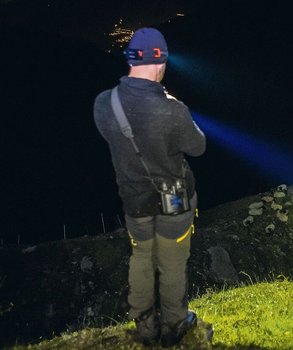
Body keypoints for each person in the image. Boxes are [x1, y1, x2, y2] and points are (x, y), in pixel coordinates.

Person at [93, 27, 206, 347]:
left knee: (141, 256)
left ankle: (144, 324)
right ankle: (174, 323)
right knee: (171, 262)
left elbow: (113, 138)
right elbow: (198, 146)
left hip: (133, 202)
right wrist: (175, 106)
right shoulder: (171, 109)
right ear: (160, 63)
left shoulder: (104, 103)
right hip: (174, 203)